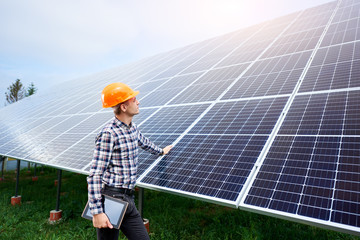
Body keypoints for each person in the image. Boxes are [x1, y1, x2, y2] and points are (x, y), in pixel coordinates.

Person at [87, 82, 172, 240]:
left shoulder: (132, 128)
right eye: (133, 100)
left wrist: (161, 151)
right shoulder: (108, 134)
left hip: (128, 200)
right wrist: (97, 212)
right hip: (111, 199)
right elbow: (95, 175)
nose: (138, 102)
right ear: (124, 107)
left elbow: (145, 143)